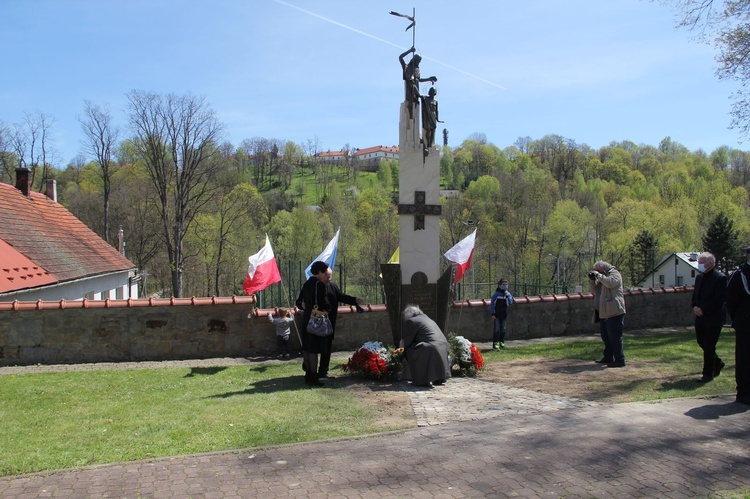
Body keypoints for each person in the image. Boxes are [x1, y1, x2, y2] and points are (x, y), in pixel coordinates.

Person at [296, 261, 362, 387]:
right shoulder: (319, 285)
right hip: (318, 320)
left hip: (308, 320)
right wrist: (328, 309)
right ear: (320, 272)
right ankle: (314, 377)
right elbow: (323, 302)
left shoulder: (307, 284)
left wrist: (304, 305)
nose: (327, 277)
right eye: (325, 273)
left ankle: (309, 375)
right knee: (314, 349)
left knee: (309, 349)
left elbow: (300, 301)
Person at [690, 252, 727, 383]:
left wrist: (704, 310)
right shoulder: (699, 277)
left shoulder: (720, 278)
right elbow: (695, 295)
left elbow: (719, 300)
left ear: (710, 263)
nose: (699, 265)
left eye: (701, 262)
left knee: (709, 345)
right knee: (701, 342)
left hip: (713, 318)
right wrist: (695, 306)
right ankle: (717, 362)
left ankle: (707, 373)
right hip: (700, 317)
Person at [401, 304, 451, 387]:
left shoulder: (412, 321)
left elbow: (408, 341)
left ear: (409, 314)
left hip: (431, 347)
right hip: (444, 346)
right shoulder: (429, 319)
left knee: (411, 350)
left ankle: (423, 380)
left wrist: (402, 353)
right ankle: (439, 377)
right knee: (426, 347)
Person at [589, 260, 627, 367]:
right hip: (603, 312)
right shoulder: (602, 278)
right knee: (606, 337)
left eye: (598, 270)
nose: (596, 272)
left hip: (614, 311)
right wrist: (592, 280)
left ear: (603, 269)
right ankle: (608, 357)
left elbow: (610, 283)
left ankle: (620, 359)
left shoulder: (615, 274)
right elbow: (593, 291)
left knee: (615, 337)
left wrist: (599, 276)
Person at [725, 247, 750, 404]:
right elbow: (730, 300)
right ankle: (744, 392)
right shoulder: (740, 274)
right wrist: (739, 319)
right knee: (745, 358)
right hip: (745, 323)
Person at [399, 47, 437, 118]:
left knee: (415, 103)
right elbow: (400, 57)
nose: (417, 63)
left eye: (418, 62)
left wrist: (429, 79)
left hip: (415, 90)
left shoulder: (416, 70)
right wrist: (410, 51)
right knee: (410, 104)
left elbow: (419, 80)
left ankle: (412, 116)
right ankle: (410, 117)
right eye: (416, 61)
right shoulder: (406, 67)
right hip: (409, 88)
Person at [490, 278, 514, 350]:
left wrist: (507, 296)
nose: (505, 286)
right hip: (497, 314)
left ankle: (502, 342)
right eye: (503, 285)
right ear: (499, 285)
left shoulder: (508, 294)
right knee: (496, 329)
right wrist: (492, 313)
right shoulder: (496, 294)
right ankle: (495, 343)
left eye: (506, 285)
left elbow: (509, 303)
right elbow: (492, 304)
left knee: (503, 329)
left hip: (504, 315)